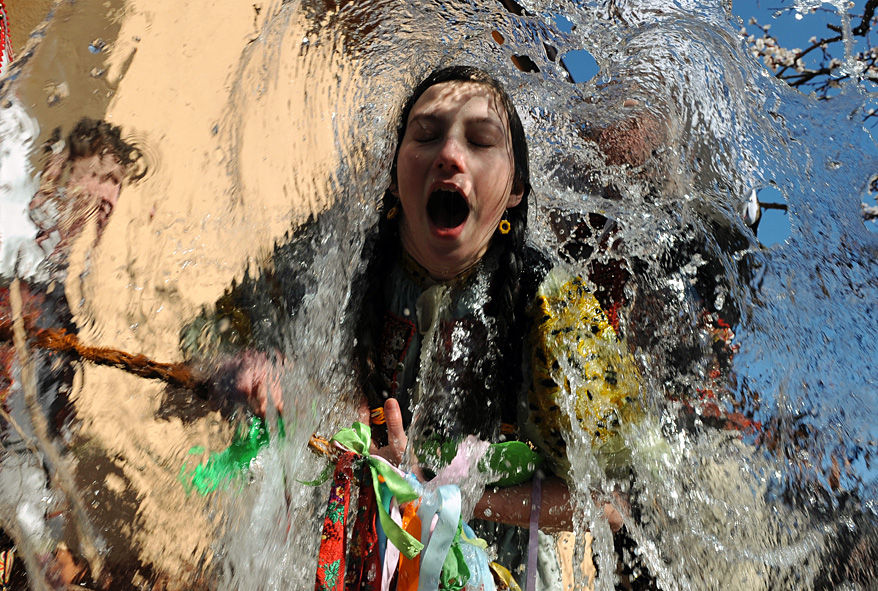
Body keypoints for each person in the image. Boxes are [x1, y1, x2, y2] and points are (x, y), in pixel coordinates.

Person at [190, 66, 645, 589]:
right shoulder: (330, 261)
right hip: (336, 555)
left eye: (480, 141)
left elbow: (611, 503)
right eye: (426, 135)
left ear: (515, 188)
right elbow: (204, 336)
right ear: (394, 172)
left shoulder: (557, 311)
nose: (449, 155)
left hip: (489, 571)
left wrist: (446, 498)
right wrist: (244, 366)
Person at [0, 117, 142, 589]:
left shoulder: (55, 283)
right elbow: (10, 436)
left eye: (116, 183)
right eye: (98, 175)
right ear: (58, 168)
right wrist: (45, 548)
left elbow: (47, 434)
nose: (107, 196)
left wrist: (53, 532)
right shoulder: (15, 260)